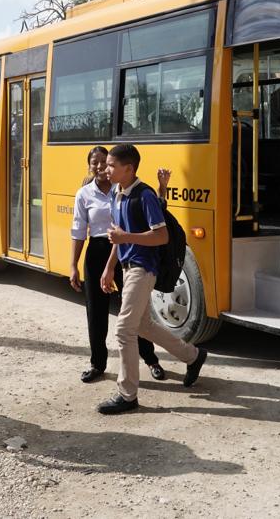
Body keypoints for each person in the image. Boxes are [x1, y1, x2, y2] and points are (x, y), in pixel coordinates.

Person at [97, 144, 207, 415]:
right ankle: (193, 356)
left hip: (143, 269)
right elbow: (117, 236)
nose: (105, 169)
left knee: (124, 330)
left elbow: (161, 236)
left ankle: (128, 394)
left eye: (111, 165)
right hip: (126, 267)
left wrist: (126, 238)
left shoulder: (143, 195)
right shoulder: (117, 194)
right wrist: (109, 267)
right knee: (144, 326)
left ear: (128, 168)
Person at [69, 146, 167, 384]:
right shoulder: (84, 194)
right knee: (96, 312)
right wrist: (73, 265)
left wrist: (162, 187)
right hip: (97, 251)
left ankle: (151, 359)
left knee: (135, 313)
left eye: (106, 162)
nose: (101, 167)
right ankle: (97, 364)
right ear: (89, 165)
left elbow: (153, 211)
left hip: (122, 251)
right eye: (96, 163)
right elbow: (78, 231)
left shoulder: (121, 189)